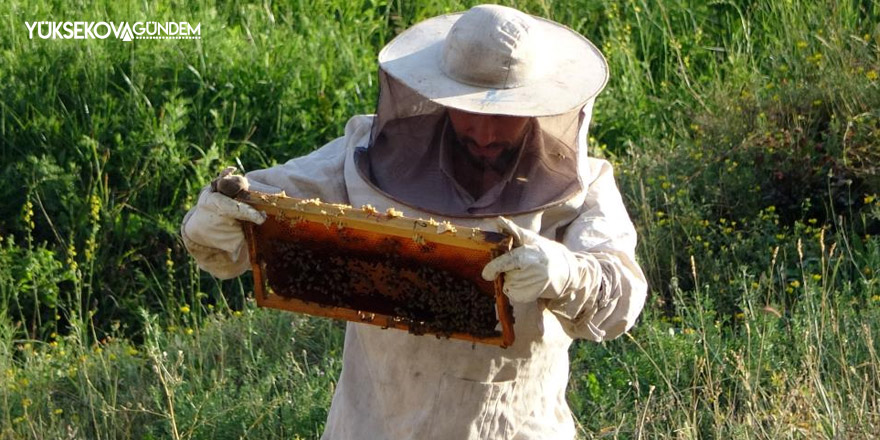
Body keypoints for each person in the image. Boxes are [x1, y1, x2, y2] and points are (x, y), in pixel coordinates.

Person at [181, 4, 647, 439]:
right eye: (469, 110)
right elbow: (255, 212)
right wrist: (213, 221)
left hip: (509, 424)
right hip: (374, 422)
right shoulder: (367, 154)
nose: (485, 134)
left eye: (505, 116)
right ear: (441, 94)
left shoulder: (583, 184)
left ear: (537, 107)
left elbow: (623, 298)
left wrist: (565, 272)